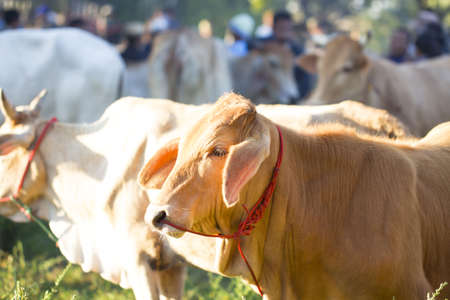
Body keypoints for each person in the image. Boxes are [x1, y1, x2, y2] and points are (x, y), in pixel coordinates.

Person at [262, 10, 312, 102]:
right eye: (281, 28)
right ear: (274, 28)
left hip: (292, 96)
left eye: (287, 29)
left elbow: (305, 80)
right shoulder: (263, 46)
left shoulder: (297, 50)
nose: (285, 32)